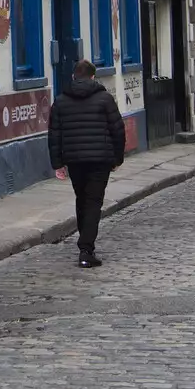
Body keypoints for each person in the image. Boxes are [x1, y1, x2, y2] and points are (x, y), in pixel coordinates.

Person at [48, 59, 126, 268]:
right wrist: (117, 158)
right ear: (93, 76)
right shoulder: (105, 99)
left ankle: (85, 244)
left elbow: (54, 135)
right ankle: (86, 249)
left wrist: (58, 163)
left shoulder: (61, 100)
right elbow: (118, 130)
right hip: (100, 159)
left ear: (74, 76)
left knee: (82, 198)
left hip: (75, 160)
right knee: (93, 202)